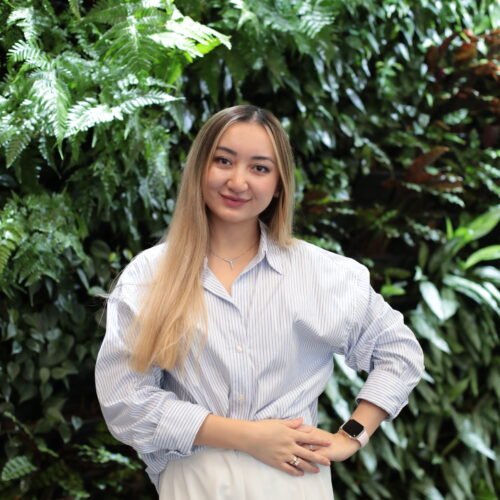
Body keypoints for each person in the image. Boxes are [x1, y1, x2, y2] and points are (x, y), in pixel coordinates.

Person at [95, 105, 424, 499]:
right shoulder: (149, 275)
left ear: (279, 183)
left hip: (294, 483)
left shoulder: (322, 274)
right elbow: (125, 401)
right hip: (195, 485)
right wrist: (249, 436)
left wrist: (351, 434)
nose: (238, 181)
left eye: (260, 168)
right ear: (199, 168)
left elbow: (399, 352)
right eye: (223, 161)